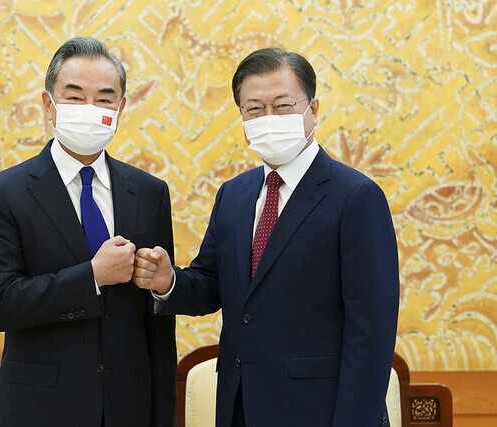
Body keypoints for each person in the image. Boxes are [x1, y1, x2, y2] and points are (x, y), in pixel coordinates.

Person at [133, 48, 399, 426]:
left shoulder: (356, 196)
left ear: (314, 109)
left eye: (283, 105)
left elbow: (371, 331)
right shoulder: (234, 194)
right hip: (240, 405)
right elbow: (213, 284)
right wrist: (168, 281)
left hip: (321, 411)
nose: (268, 118)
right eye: (254, 109)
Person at [0, 36, 176, 427]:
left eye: (104, 98)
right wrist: (93, 277)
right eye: (75, 97)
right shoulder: (3, 194)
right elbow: (2, 304)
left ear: (121, 108)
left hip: (129, 408)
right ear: (49, 105)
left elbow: (158, 326)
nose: (90, 109)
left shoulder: (149, 192)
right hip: (39, 409)